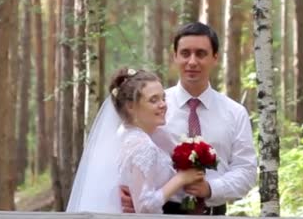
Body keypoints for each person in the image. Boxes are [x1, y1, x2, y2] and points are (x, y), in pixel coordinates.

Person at [121, 22, 258, 215]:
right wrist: (124, 189)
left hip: (213, 213)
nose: (192, 62)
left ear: (215, 58)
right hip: (163, 213)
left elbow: (247, 171)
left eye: (201, 54)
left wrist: (210, 188)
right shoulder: (151, 107)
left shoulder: (235, 113)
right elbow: (126, 150)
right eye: (185, 53)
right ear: (175, 56)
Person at [66, 68, 204, 213]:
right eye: (153, 100)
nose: (163, 104)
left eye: (163, 98)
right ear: (131, 106)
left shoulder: (125, 133)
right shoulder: (142, 145)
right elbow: (144, 207)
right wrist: (180, 179)